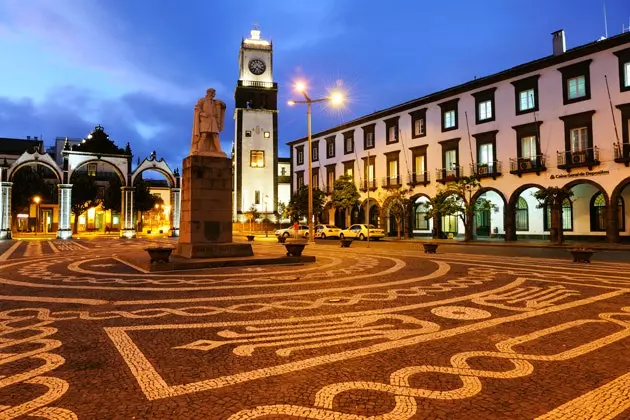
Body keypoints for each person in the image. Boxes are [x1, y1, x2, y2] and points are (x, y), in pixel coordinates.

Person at [190, 88, 227, 156]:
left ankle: (219, 151)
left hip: (213, 120)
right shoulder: (202, 100)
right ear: (208, 93)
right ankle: (199, 150)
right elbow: (197, 108)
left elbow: (223, 106)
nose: (214, 95)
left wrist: (221, 103)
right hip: (205, 120)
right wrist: (203, 114)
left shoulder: (215, 102)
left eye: (214, 93)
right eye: (213, 93)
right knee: (204, 134)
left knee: (215, 135)